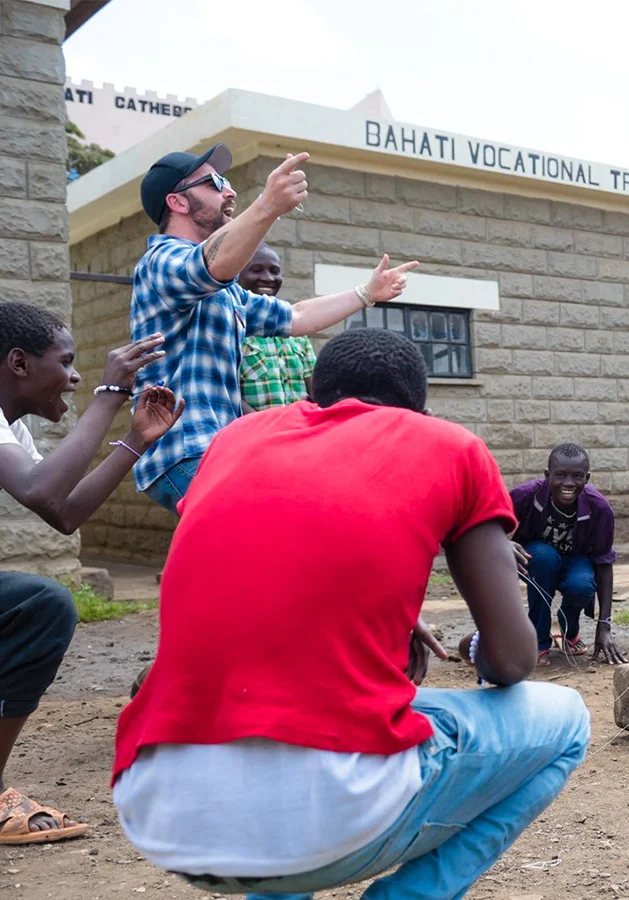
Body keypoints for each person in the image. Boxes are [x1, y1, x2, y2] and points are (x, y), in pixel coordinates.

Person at [113, 328, 589, 899]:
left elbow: (263, 560)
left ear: (312, 391)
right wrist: (473, 648)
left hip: (162, 814)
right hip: (336, 818)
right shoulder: (452, 445)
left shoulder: (237, 437)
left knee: (280, 713)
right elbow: (512, 660)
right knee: (568, 720)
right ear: (422, 408)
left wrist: (373, 611)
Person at [131, 143, 418, 514]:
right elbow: (210, 265)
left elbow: (295, 317)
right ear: (178, 203)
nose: (230, 191)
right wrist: (266, 206)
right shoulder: (160, 260)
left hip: (217, 451)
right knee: (278, 532)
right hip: (184, 452)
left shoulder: (228, 293)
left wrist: (366, 293)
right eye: (215, 183)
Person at [0, 302, 181, 845]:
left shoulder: (13, 433)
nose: (77, 377)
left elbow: (63, 512)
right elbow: (41, 491)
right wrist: (110, 394)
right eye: (68, 362)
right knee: (40, 603)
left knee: (36, 605)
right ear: (18, 363)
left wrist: (137, 440)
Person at [509, 442, 625, 666]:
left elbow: (603, 565)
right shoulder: (526, 495)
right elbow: (489, 520)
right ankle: (538, 640)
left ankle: (568, 628)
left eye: (577, 476)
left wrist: (605, 625)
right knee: (542, 557)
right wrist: (504, 544)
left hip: (577, 560)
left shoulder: (599, 508)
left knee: (582, 585)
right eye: (560, 475)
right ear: (547, 475)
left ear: (587, 478)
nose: (568, 484)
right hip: (539, 558)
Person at [237, 244, 317, 413]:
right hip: (252, 433)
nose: (268, 278)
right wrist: (268, 428)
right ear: (237, 275)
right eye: (256, 270)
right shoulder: (231, 326)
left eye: (274, 271)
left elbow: (315, 388)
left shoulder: (296, 332)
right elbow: (228, 394)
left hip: (299, 432)